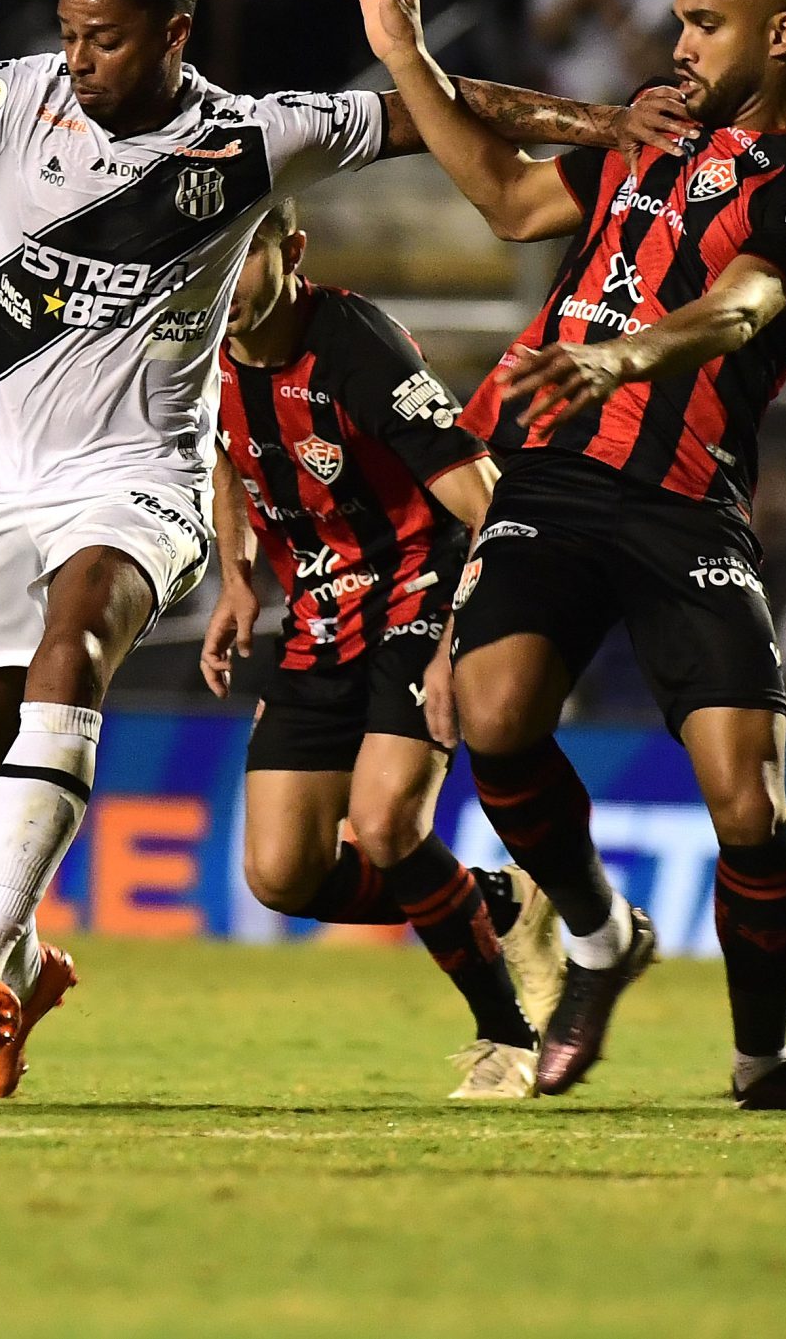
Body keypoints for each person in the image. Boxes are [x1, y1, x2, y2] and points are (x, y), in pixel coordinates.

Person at [0, 0, 675, 1101]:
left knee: (76, 632)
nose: (79, 57)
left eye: (105, 37)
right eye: (69, 32)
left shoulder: (248, 138)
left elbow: (438, 111)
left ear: (174, 35)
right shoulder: (16, 98)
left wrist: (604, 125)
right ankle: (21, 971)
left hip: (137, 483)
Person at [340, 0, 786, 1112]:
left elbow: (740, 308)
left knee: (748, 794)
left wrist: (622, 360)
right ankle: (593, 933)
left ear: (780, 33)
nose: (677, 43)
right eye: (678, 18)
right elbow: (505, 200)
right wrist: (405, 57)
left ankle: (760, 1062)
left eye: (704, 23)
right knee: (493, 710)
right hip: (551, 483)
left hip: (685, 503)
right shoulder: (650, 132)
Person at [200, 201, 559, 1100]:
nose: (224, 282)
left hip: (416, 597)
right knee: (282, 874)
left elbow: (485, 498)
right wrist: (237, 578)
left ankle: (507, 1037)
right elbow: (222, 460)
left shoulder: (355, 345)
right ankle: (504, 901)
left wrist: (454, 644)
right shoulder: (197, 346)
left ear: (294, 252)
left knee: (389, 823)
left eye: (244, 260)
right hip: (318, 618)